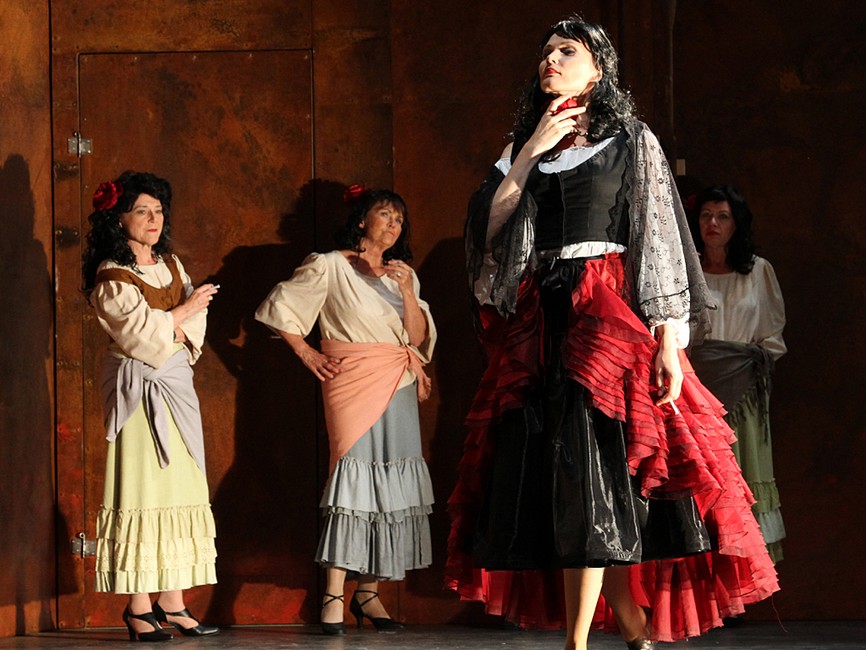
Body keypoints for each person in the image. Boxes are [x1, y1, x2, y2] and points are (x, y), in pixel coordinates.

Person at [445, 16, 779, 650]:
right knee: (566, 471)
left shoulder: (630, 138)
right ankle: (631, 626)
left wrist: (669, 340)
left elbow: (657, 235)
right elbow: (488, 230)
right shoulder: (525, 144)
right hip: (540, 315)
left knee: (596, 466)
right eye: (546, 51)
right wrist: (531, 153)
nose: (551, 59)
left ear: (597, 70)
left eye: (567, 51)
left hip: (604, 308)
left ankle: (579, 642)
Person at [255, 186, 436, 635]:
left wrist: (406, 292)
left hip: (397, 380)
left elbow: (415, 338)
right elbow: (281, 306)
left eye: (399, 219)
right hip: (353, 381)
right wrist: (306, 352)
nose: (393, 225)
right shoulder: (330, 264)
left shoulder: (404, 276)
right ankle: (334, 594)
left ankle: (368, 593)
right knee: (352, 481)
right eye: (385, 215)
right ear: (361, 220)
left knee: (390, 483)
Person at [82, 171, 220, 641]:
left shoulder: (171, 265)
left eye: (158, 210)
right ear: (119, 219)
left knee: (180, 488)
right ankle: (139, 606)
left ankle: (172, 601)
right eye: (142, 210)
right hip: (138, 392)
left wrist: (176, 322)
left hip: (176, 384)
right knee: (142, 490)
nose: (153, 219)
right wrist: (180, 314)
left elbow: (186, 328)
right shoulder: (111, 275)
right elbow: (136, 335)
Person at [688, 184, 787, 562]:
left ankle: (744, 572)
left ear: (736, 224)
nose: (712, 223)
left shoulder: (758, 271)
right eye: (706, 215)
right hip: (696, 390)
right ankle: (706, 575)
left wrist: (742, 366)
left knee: (743, 475)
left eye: (722, 216)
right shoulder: (688, 270)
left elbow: (772, 335)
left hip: (744, 392)